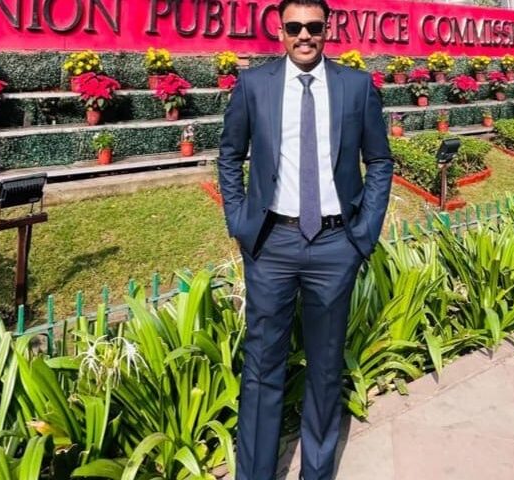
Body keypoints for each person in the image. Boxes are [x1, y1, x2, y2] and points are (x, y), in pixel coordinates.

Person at [217, 0, 394, 478]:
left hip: (335, 246)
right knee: (261, 367)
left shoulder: (356, 86)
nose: (304, 35)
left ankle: (315, 472)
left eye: (313, 26)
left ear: (327, 29)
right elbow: (229, 156)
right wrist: (240, 221)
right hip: (271, 244)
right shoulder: (255, 85)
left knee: (325, 367)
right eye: (294, 26)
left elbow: (380, 160)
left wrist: (363, 234)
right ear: (280, 30)